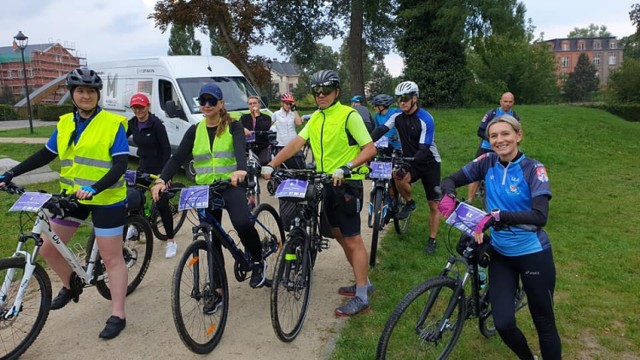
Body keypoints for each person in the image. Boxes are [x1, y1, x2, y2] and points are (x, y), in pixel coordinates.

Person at [0, 68, 129, 339]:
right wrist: (12, 173)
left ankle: (118, 313)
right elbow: (45, 154)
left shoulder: (112, 124)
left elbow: (120, 165)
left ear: (97, 95)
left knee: (111, 257)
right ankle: (71, 285)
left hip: (106, 198)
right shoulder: (65, 124)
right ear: (72, 94)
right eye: (80, 91)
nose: (85, 96)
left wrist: (94, 188)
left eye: (91, 91)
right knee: (47, 248)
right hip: (73, 196)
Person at [438, 115, 561, 360]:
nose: (499, 140)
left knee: (544, 323)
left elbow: (539, 216)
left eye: (505, 134)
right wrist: (449, 195)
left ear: (518, 135)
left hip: (533, 254)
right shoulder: (486, 162)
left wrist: (498, 217)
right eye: (493, 136)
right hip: (501, 254)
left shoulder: (533, 169)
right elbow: (450, 179)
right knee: (504, 323)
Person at [262, 70, 377, 317]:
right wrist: (273, 164)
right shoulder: (316, 117)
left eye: (325, 91)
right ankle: (362, 282)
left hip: (347, 184)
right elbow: (296, 143)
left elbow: (370, 148)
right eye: (316, 92)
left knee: (352, 238)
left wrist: (348, 167)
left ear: (336, 92)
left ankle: (362, 295)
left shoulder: (349, 115)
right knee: (337, 233)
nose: (321, 96)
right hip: (325, 182)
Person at [151, 83, 266, 290]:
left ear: (221, 103)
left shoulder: (234, 126)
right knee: (211, 236)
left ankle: (258, 260)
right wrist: (161, 179)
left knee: (241, 223)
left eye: (211, 100)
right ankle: (217, 288)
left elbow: (240, 150)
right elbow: (177, 158)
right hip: (206, 189)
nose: (206, 105)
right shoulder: (195, 130)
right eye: (202, 101)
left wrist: (240, 170)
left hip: (231, 184)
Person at [370, 81, 442, 254]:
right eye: (399, 99)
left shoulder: (425, 118)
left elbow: (424, 149)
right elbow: (381, 130)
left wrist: (407, 163)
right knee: (398, 177)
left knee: (433, 204)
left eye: (406, 98)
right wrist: (366, 142)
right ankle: (410, 203)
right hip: (411, 159)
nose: (402, 102)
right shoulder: (397, 117)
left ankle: (432, 240)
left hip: (429, 162)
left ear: (415, 98)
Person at [126, 93, 177, 259]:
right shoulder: (132, 123)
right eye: (135, 107)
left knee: (162, 204)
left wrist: (165, 174)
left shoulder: (156, 124)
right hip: (143, 165)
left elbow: (167, 149)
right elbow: (120, 139)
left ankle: (171, 240)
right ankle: (136, 225)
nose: (138, 110)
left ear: (148, 107)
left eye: (141, 107)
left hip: (159, 168)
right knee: (133, 197)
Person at [468, 92, 520, 203]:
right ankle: (469, 200)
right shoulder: (492, 113)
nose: (508, 104)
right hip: (486, 147)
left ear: (513, 102)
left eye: (510, 102)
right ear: (500, 101)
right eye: (505, 101)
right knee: (475, 171)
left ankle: (506, 198)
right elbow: (480, 131)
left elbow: (517, 134)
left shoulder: (514, 117)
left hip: (505, 150)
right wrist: (494, 141)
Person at [271, 92, 305, 169]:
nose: (288, 106)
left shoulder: (293, 113)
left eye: (290, 104)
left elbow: (299, 123)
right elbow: (269, 124)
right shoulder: (276, 114)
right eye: (286, 103)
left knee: (296, 162)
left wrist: (294, 110)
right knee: (279, 163)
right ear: (282, 103)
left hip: (292, 142)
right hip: (281, 142)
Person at [240, 95, 272, 166]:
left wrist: (257, 115)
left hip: (262, 145)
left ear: (259, 104)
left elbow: (263, 127)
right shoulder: (244, 118)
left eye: (254, 103)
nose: (252, 105)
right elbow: (240, 128)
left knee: (264, 162)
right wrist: (243, 129)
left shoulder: (266, 117)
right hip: (248, 146)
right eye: (250, 104)